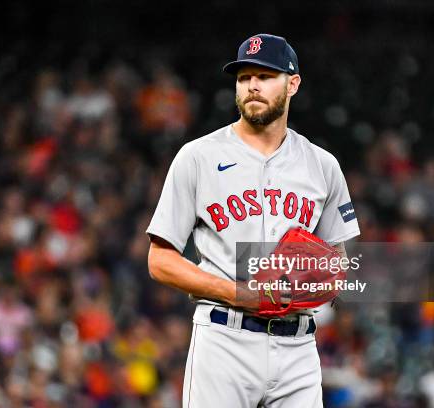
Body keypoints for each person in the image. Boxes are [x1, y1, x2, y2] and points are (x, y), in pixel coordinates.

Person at [146, 34, 360, 407]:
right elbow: (159, 260)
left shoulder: (323, 166)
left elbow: (338, 264)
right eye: (244, 77)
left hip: (298, 346)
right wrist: (241, 293)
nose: (253, 86)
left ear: (292, 84)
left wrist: (315, 279)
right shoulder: (197, 157)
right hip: (224, 340)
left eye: (265, 76)